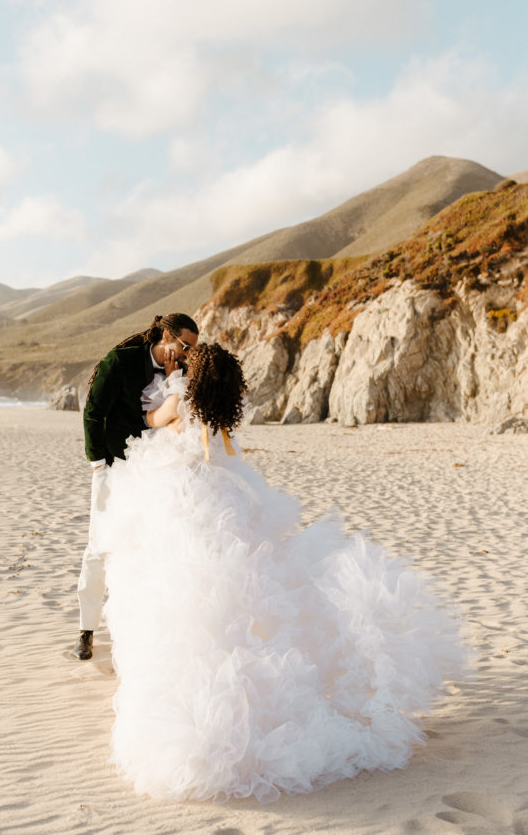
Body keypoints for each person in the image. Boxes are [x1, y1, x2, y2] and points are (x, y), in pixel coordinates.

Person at [95, 342, 469, 802]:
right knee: (248, 597)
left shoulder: (179, 401)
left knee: (188, 597)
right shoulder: (219, 414)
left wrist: (158, 391)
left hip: (186, 501)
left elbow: (146, 422)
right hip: (228, 500)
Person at [72, 312, 199, 660]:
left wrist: (175, 379)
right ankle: (86, 631)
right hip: (113, 464)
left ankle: (135, 634)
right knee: (99, 545)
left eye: (192, 349)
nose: (187, 353)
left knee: (143, 546)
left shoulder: (180, 372)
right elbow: (93, 412)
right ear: (166, 337)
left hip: (152, 469)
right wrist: (97, 461)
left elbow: (170, 417)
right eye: (184, 345)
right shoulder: (121, 361)